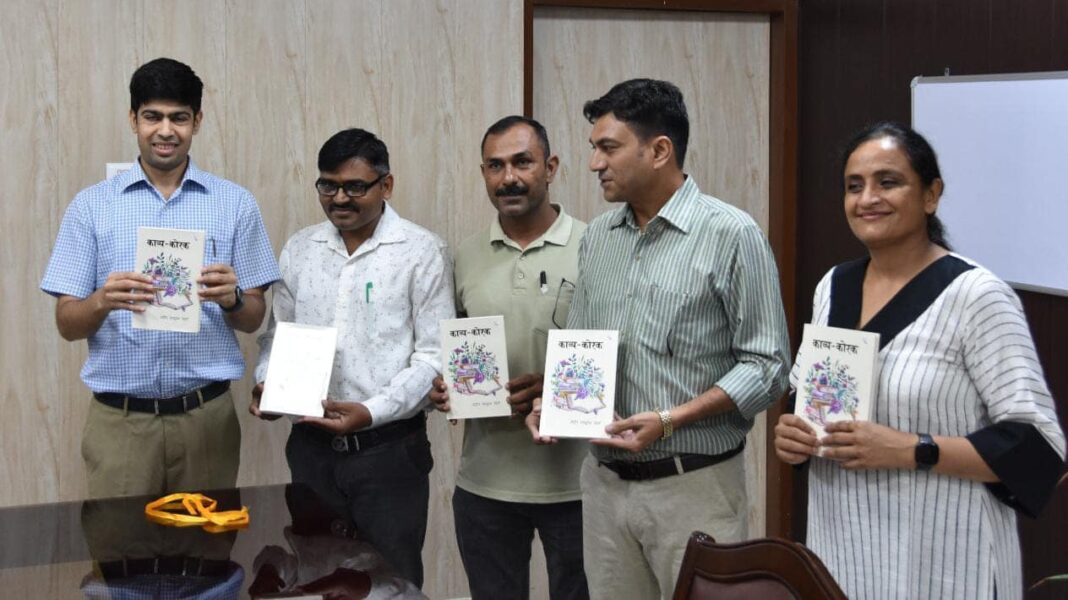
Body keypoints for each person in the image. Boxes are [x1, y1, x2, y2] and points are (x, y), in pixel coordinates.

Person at [773, 121, 1066, 600]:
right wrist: (793, 432)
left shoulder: (977, 296)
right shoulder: (834, 285)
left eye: (888, 182)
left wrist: (913, 449)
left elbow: (1037, 445)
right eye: (854, 186)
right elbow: (808, 394)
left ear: (931, 195)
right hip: (843, 550)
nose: (868, 198)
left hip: (946, 560)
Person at [529, 79, 791, 599]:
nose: (594, 164)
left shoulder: (731, 234)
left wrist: (671, 420)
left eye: (608, 148)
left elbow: (767, 367)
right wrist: (554, 403)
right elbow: (581, 346)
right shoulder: (599, 237)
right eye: (594, 148)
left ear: (659, 150)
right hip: (605, 488)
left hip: (693, 487)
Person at [40, 57, 280, 499]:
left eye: (179, 118)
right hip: (120, 423)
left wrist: (232, 299)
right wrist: (101, 300)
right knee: (117, 541)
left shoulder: (235, 204)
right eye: (153, 116)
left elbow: (253, 319)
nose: (165, 131)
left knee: (206, 540)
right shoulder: (91, 206)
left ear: (197, 121)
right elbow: (66, 324)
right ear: (133, 119)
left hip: (207, 418)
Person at [251, 128, 454, 589]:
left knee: (392, 585)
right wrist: (269, 384)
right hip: (311, 453)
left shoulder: (422, 251)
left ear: (387, 185)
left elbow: (433, 357)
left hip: (389, 455)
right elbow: (277, 337)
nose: (339, 198)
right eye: (328, 185)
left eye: (355, 187)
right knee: (317, 579)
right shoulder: (300, 248)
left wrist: (370, 412)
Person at [429, 116, 589, 599]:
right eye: (495, 166)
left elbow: (621, 352)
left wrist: (553, 384)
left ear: (550, 167)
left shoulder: (596, 246)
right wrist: (446, 386)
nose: (508, 178)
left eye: (522, 162)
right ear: (483, 173)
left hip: (581, 484)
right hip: (485, 485)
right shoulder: (464, 255)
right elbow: (453, 351)